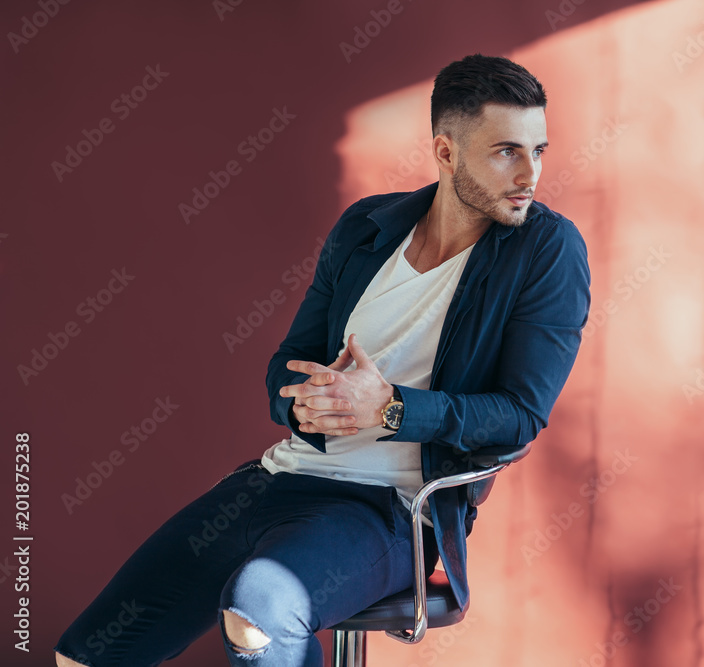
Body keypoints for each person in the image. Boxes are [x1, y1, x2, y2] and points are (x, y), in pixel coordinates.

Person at [54, 53, 590, 667]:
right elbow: (288, 363)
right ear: (446, 153)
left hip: (389, 509)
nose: (530, 174)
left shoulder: (547, 250)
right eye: (506, 152)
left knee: (257, 614)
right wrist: (305, 400)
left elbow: (519, 415)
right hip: (273, 482)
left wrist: (388, 410)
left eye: (538, 150)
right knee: (87, 655)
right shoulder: (366, 228)